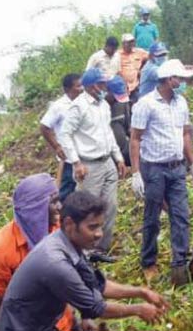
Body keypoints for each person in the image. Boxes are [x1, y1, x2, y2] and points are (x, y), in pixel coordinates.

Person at [0, 191, 168, 331]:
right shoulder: (55, 263)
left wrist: (141, 292)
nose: (99, 233)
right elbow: (96, 308)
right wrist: (137, 309)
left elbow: (98, 285)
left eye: (100, 226)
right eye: (92, 227)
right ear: (70, 224)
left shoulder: (70, 244)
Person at [130, 59, 193, 286]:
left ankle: (180, 263)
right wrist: (136, 172)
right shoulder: (146, 104)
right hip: (154, 169)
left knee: (180, 215)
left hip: (176, 168)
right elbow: (135, 138)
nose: (181, 83)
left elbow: (186, 134)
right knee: (152, 217)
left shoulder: (181, 103)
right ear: (169, 80)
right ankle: (148, 261)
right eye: (178, 79)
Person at [0, 174, 73, 331]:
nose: (60, 207)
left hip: (63, 323)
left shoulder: (60, 232)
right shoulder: (0, 251)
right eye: (53, 202)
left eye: (59, 200)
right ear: (35, 209)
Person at [59, 68, 127, 257]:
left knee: (110, 206)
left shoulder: (104, 105)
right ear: (92, 86)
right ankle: (82, 251)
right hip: (89, 165)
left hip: (107, 162)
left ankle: (100, 248)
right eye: (101, 84)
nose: (105, 88)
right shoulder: (79, 106)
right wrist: (76, 162)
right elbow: (65, 134)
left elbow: (108, 133)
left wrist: (119, 157)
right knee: (86, 211)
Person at [40, 73, 83, 201]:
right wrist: (57, 147)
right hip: (68, 158)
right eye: (78, 86)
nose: (82, 89)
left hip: (84, 156)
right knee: (66, 192)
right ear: (67, 89)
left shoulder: (84, 103)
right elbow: (44, 127)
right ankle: (62, 219)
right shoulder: (59, 106)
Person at [106, 75, 131, 166]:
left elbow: (128, 127)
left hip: (123, 149)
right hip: (105, 154)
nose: (117, 101)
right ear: (106, 91)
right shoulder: (97, 107)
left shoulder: (122, 104)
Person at [118, 33, 148, 104]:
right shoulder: (117, 54)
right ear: (123, 43)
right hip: (122, 87)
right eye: (128, 42)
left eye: (132, 42)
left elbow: (151, 57)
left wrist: (142, 69)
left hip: (135, 86)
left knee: (138, 105)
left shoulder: (139, 52)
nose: (131, 44)